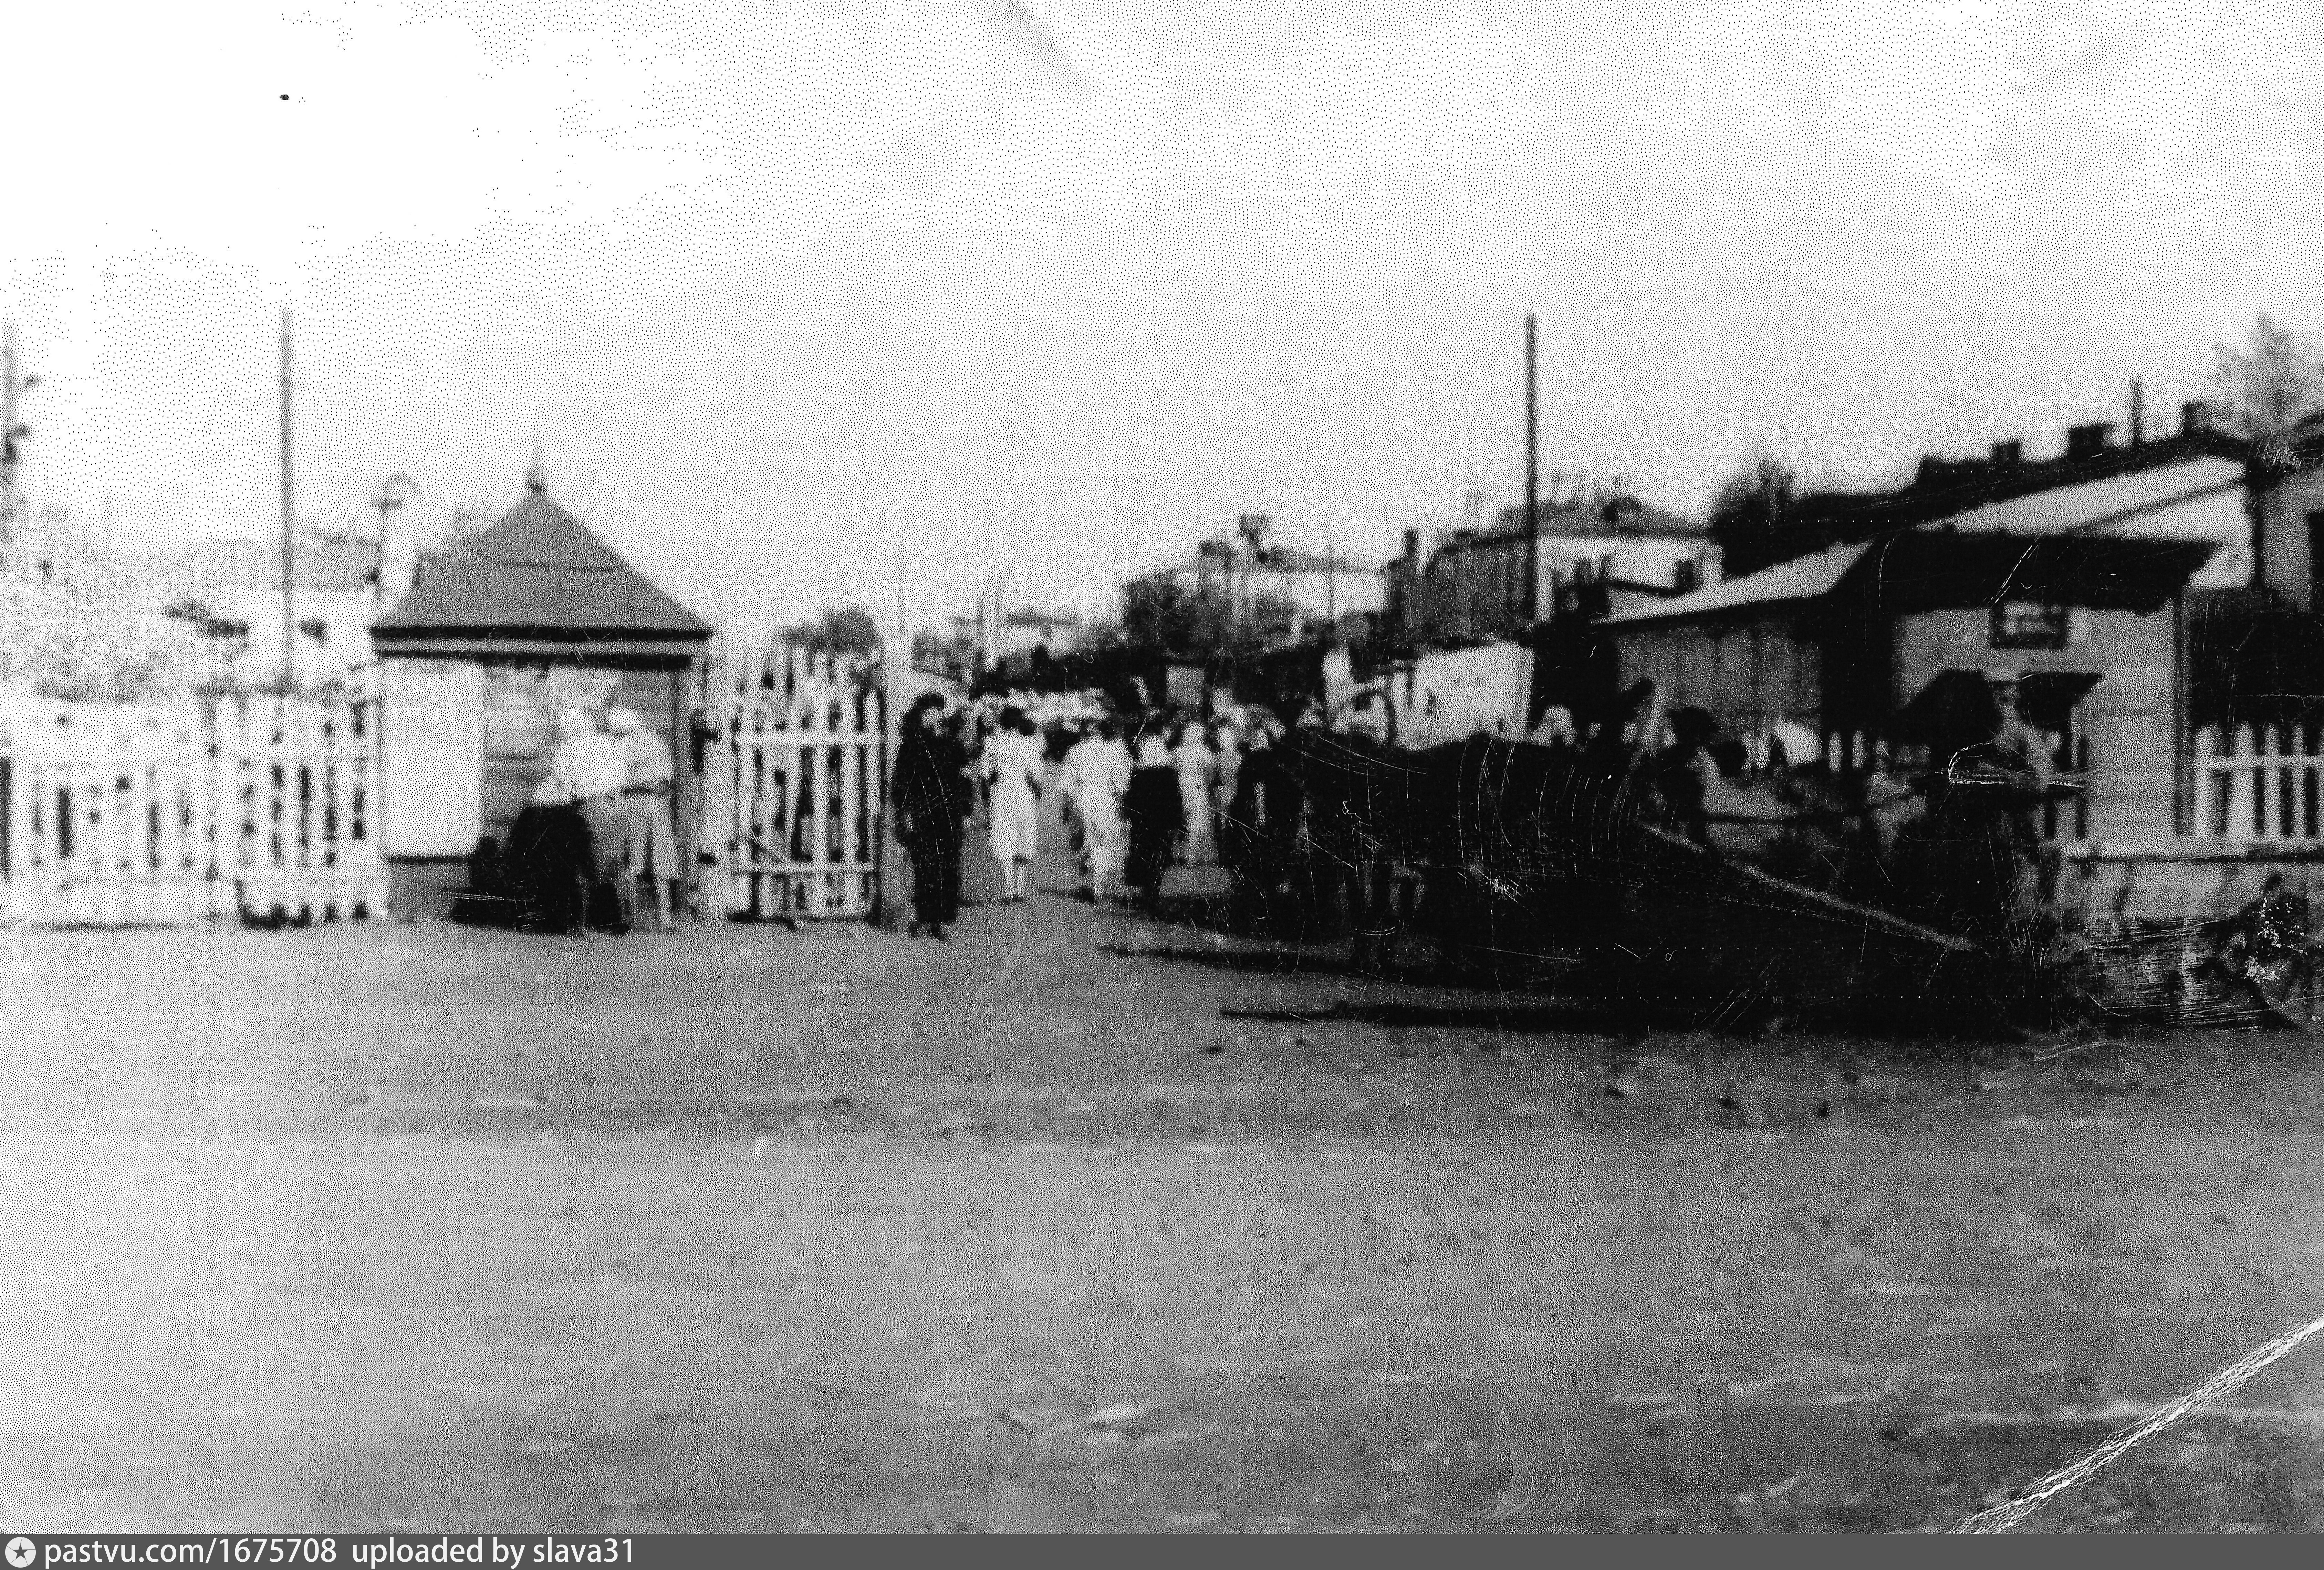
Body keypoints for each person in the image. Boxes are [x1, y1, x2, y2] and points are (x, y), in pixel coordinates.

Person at [530, 704, 634, 933]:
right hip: (617, 806)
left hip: (588, 807)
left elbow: (564, 784)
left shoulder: (567, 750)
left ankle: (587, 918)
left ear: (567, 727)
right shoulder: (610, 744)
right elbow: (624, 776)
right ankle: (610, 916)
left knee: (587, 864)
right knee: (610, 864)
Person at [891, 694, 967, 939]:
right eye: (932, 712)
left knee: (947, 866)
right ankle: (924, 918)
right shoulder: (912, 745)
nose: (936, 716)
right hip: (924, 813)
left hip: (948, 814)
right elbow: (901, 782)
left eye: (939, 712)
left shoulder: (950, 744)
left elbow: (961, 778)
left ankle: (939, 920)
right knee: (926, 866)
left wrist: (965, 809)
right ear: (922, 715)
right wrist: (904, 812)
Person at [605, 704, 681, 932]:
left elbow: (620, 784)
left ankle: (635, 916)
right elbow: (665, 782)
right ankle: (661, 917)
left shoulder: (623, 747)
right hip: (653, 805)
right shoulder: (655, 743)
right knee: (658, 859)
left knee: (637, 859)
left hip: (637, 805)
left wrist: (635, 785)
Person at [1061, 718, 1133, 902]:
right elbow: (1121, 784)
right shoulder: (1111, 752)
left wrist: (1068, 807)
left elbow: (1067, 785)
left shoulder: (1075, 752)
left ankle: (1095, 883)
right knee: (1104, 843)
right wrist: (1121, 805)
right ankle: (1099, 885)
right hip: (1105, 801)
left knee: (1088, 842)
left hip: (1083, 800)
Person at [982, 704, 1045, 904]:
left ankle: (1009, 890)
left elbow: (985, 774)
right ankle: (1021, 888)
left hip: (1002, 795)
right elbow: (1037, 777)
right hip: (1024, 795)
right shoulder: (1030, 745)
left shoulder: (993, 743)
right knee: (1024, 841)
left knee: (1005, 842)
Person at [1124, 731, 1182, 913]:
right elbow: (1176, 802)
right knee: (1159, 859)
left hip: (1144, 824)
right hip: (1162, 823)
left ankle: (1147, 892)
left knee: (1145, 856)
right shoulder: (1169, 776)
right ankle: (1152, 892)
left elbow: (1131, 802)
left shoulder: (1140, 776)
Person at [1173, 719, 1219, 867]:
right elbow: (1211, 772)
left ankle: (1187, 855)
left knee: (1188, 821)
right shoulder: (1203, 751)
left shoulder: (1179, 751)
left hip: (1184, 789)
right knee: (1200, 822)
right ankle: (1198, 856)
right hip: (1199, 789)